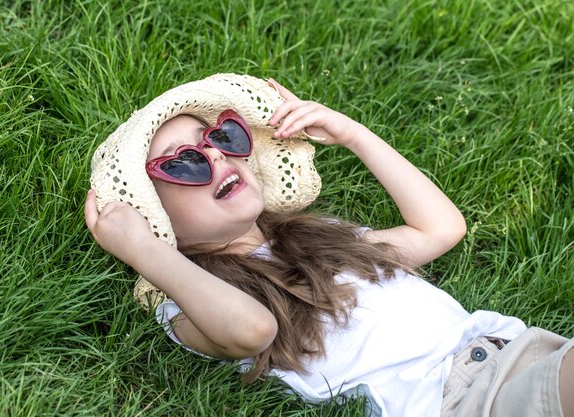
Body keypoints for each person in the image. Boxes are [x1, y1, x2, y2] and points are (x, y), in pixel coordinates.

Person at [85, 77, 574, 417]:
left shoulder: (319, 241)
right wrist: (146, 252)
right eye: (185, 162)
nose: (214, 152)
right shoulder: (190, 301)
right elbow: (253, 330)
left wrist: (354, 134)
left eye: (222, 136)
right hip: (456, 401)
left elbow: (439, 230)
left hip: (517, 351)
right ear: (157, 217)